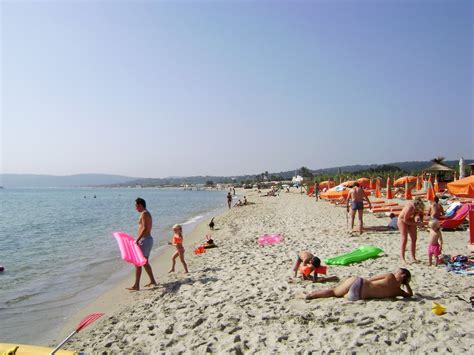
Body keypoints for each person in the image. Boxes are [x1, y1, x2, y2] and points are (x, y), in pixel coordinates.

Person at [299, 268, 413, 301]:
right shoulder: (398, 291)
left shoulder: (390, 276)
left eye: (398, 271)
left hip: (360, 284)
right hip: (357, 297)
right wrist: (406, 284)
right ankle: (345, 294)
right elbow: (410, 295)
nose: (395, 271)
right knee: (339, 295)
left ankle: (309, 295)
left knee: (334, 292)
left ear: (402, 275)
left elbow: (371, 279)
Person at [127, 198, 157, 291]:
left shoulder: (144, 213)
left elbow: (144, 228)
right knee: (145, 263)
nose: (135, 208)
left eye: (136, 206)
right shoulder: (146, 213)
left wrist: (137, 240)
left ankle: (136, 285)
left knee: (138, 263)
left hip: (144, 240)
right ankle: (152, 281)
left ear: (140, 205)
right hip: (147, 240)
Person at [398, 198, 425, 264]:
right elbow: (405, 220)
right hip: (402, 221)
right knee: (404, 239)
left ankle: (413, 257)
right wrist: (416, 224)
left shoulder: (419, 207)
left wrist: (419, 220)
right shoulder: (410, 207)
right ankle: (402, 258)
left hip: (411, 219)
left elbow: (421, 215)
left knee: (414, 239)